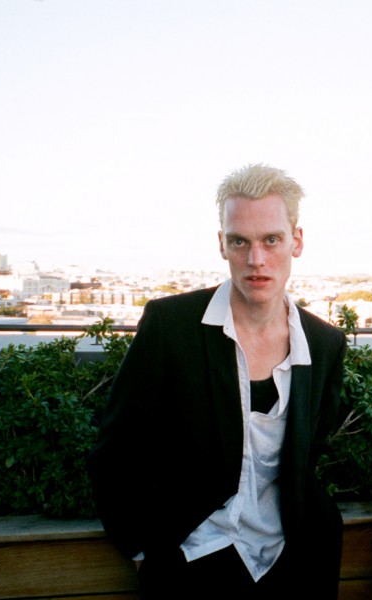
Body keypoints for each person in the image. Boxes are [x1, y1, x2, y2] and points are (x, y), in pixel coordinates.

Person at [88, 163, 348, 598]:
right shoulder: (171, 325)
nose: (256, 259)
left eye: (271, 240)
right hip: (193, 550)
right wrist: (140, 548)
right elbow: (117, 448)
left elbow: (311, 447)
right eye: (239, 241)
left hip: (295, 552)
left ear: (296, 241)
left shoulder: (324, 343)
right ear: (222, 245)